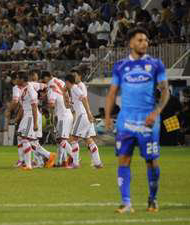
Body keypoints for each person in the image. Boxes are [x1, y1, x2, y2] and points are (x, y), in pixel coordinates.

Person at [105, 27, 170, 213]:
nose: (144, 43)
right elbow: (111, 94)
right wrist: (108, 117)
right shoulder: (120, 66)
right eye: (140, 40)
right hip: (125, 122)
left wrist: (157, 112)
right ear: (131, 43)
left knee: (151, 161)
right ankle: (126, 203)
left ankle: (153, 199)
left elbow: (165, 91)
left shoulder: (156, 64)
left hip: (148, 122)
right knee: (123, 160)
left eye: (146, 40)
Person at [17, 71, 55, 170]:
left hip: (31, 116)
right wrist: (43, 94)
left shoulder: (30, 89)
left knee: (25, 139)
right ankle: (49, 155)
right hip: (27, 116)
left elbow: (34, 106)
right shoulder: (28, 86)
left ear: (22, 79)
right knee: (31, 141)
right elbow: (45, 86)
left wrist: (35, 123)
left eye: (17, 78)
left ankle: (29, 165)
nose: (16, 80)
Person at [64, 74, 103, 169]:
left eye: (65, 82)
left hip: (82, 115)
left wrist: (89, 113)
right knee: (88, 139)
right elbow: (68, 106)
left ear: (68, 82)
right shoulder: (72, 90)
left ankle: (75, 163)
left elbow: (84, 98)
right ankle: (98, 163)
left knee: (73, 139)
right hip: (83, 115)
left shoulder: (74, 88)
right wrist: (63, 93)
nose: (65, 84)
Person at [42, 71, 74, 167]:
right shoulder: (60, 82)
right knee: (60, 140)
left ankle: (74, 156)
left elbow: (51, 104)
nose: (44, 81)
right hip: (68, 113)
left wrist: (50, 113)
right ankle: (61, 162)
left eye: (43, 79)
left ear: (46, 77)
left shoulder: (51, 86)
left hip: (62, 115)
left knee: (61, 139)